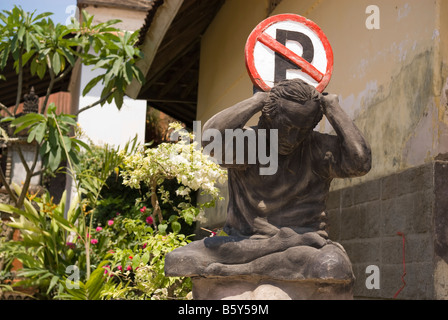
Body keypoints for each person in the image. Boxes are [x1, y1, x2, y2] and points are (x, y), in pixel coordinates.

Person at [165, 78, 371, 281]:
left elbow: (360, 163)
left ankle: (247, 270)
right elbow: (210, 140)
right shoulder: (249, 144)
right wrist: (257, 101)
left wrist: (332, 107)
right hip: (244, 245)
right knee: (178, 260)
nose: (292, 139)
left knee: (331, 266)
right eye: (287, 127)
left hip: (303, 247)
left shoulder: (318, 148)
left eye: (302, 130)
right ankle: (254, 267)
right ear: (270, 117)